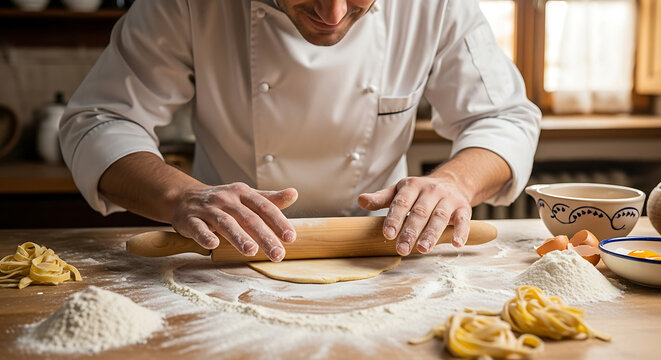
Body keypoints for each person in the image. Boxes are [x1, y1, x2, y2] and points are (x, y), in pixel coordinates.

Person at [59, 0, 541, 262]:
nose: (332, 15)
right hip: (228, 253)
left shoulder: (435, 5)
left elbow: (503, 117)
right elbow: (100, 120)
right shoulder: (186, 5)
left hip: (383, 247)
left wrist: (455, 182)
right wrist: (181, 196)